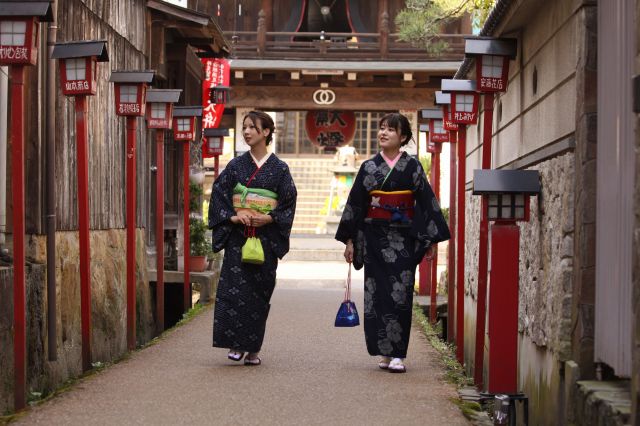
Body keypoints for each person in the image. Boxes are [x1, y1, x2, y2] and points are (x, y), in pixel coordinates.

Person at [335, 112, 450, 373]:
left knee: (401, 295)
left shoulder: (412, 167)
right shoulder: (368, 167)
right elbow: (356, 205)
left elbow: (427, 202)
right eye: (381, 128)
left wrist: (431, 238)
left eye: (390, 129)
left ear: (404, 137)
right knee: (376, 295)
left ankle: (398, 353)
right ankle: (382, 352)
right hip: (374, 238)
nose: (383, 133)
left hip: (404, 239)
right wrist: (350, 240)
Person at [208, 111, 297, 366]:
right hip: (238, 239)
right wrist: (234, 217)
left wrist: (269, 218)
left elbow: (288, 201)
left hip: (266, 240)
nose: (246, 132)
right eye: (244, 127)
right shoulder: (236, 165)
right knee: (233, 291)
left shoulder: (280, 169)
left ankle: (253, 347)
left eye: (252, 127)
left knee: (259, 294)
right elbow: (219, 194)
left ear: (266, 132)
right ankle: (236, 344)